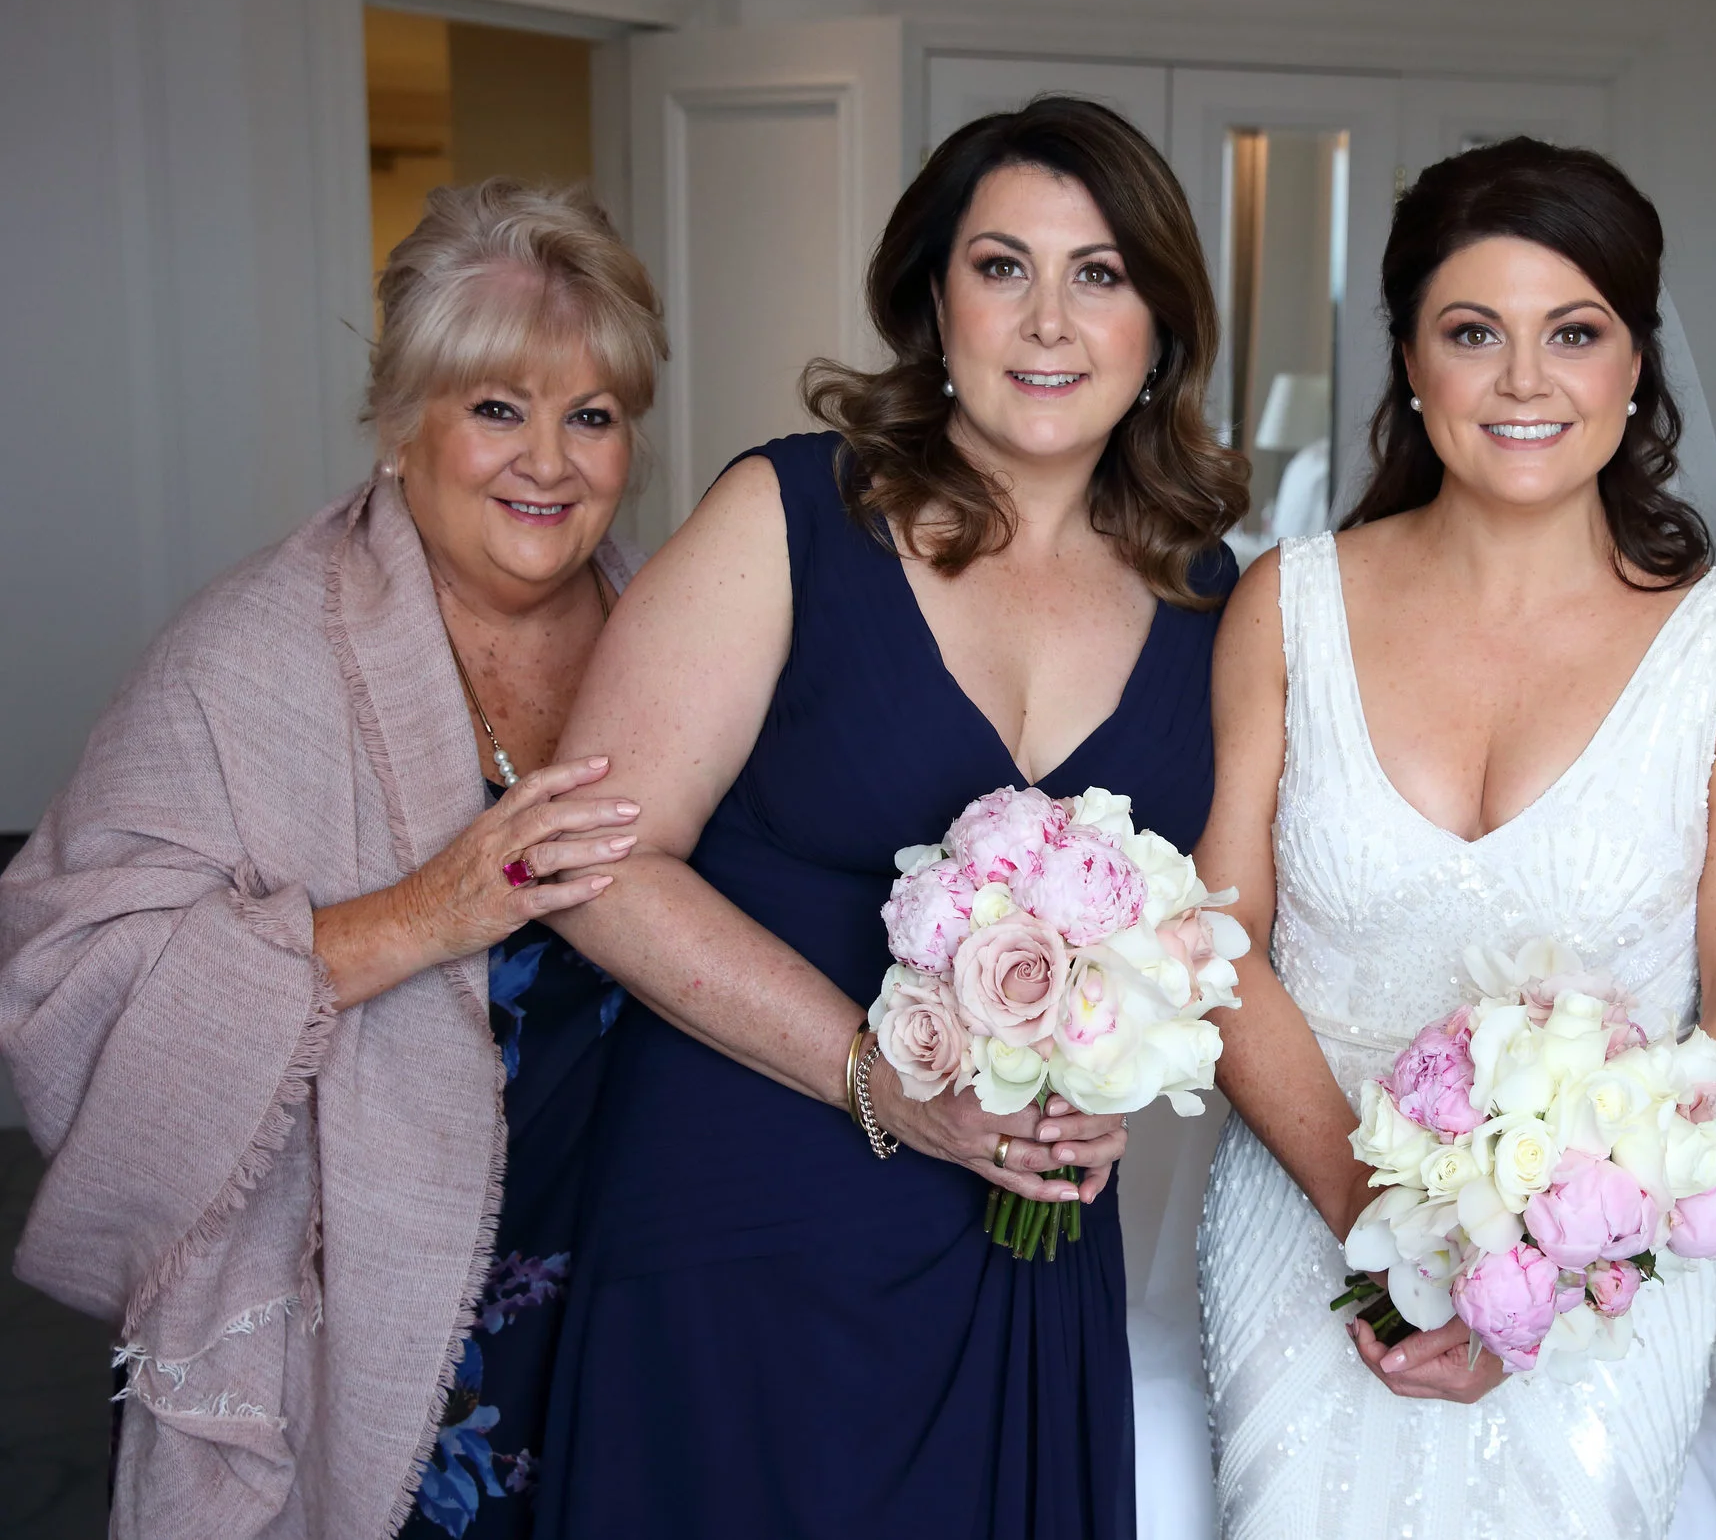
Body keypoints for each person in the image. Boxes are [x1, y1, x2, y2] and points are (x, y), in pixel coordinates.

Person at [527, 96, 1248, 1538]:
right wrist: (877, 1073)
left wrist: (1120, 1064)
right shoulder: (791, 512)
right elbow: (585, 865)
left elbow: (1217, 930)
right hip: (747, 1221)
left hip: (1020, 1251)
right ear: (935, 300)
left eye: (1098, 274)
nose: (1048, 320)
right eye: (1002, 267)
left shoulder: (1208, 591)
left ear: (1159, 325)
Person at [0, 179, 664, 1538]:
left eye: (590, 416)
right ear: (400, 421)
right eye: (497, 408)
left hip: (645, 1286)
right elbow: (57, 980)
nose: (548, 460)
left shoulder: (675, 639)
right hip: (370, 1303)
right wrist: (429, 912)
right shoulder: (253, 651)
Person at [1192, 139, 1716, 1538]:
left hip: (1607, 1284)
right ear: (1412, 364)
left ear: (1636, 366)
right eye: (1474, 333)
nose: (1527, 382)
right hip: (1306, 1228)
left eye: (1576, 333)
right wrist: (1392, 1224)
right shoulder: (1284, 609)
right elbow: (1218, 944)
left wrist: (1530, 1276)